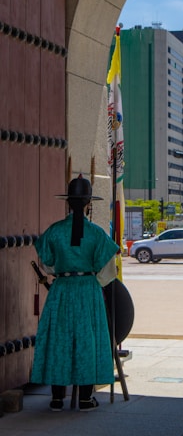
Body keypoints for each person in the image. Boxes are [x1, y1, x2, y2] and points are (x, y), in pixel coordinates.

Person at [31, 175, 119, 412]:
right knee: (87, 341)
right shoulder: (97, 233)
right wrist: (91, 280)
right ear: (89, 203)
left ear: (68, 203)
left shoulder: (55, 231)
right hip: (88, 289)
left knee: (59, 340)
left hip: (61, 290)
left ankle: (57, 398)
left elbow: (47, 264)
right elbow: (109, 271)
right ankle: (85, 398)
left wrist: (63, 271)